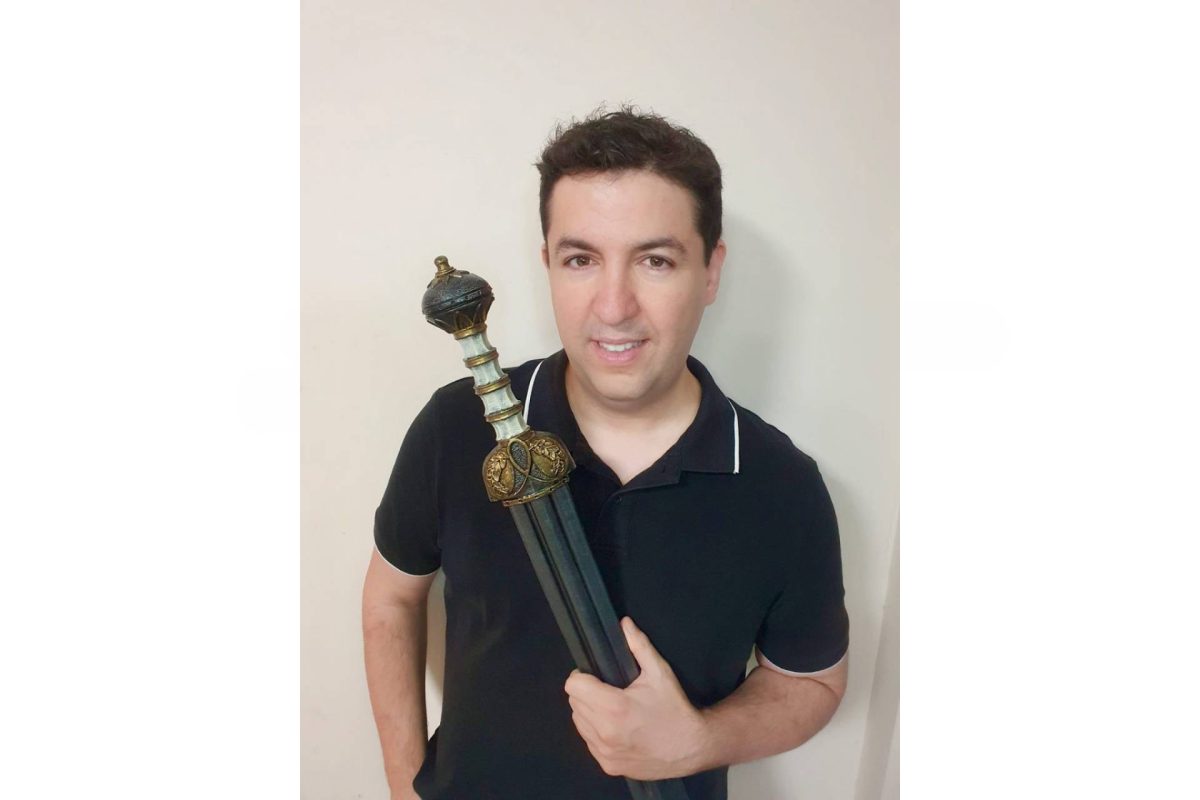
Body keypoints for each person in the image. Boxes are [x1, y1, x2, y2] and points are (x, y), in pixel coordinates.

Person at [363, 107, 849, 800]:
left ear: (710, 272)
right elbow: (390, 597)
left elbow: (814, 683)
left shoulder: (782, 486)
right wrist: (403, 787)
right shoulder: (456, 426)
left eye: (655, 260)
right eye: (581, 260)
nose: (614, 306)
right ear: (548, 266)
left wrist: (699, 741)